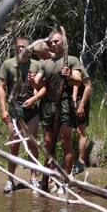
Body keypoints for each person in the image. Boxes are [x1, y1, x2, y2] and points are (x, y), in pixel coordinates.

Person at [32, 30, 84, 193]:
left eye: (57, 41)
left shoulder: (72, 60)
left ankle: (67, 179)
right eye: (52, 42)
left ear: (63, 42)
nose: (54, 44)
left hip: (66, 103)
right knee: (48, 143)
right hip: (48, 105)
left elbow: (78, 80)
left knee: (65, 140)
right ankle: (51, 178)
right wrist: (33, 81)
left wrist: (69, 77)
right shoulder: (45, 64)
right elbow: (38, 84)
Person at [0, 36, 42, 192]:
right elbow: (1, 87)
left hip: (32, 109)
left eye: (24, 46)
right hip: (14, 109)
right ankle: (10, 180)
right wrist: (3, 109)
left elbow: (42, 86)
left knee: (32, 143)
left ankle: (34, 178)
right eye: (18, 47)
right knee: (14, 144)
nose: (21, 49)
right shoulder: (8, 64)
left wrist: (35, 94)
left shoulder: (36, 65)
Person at [73, 73, 92, 174]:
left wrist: (81, 105)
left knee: (80, 131)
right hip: (67, 101)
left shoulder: (78, 67)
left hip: (81, 101)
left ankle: (81, 161)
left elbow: (88, 87)